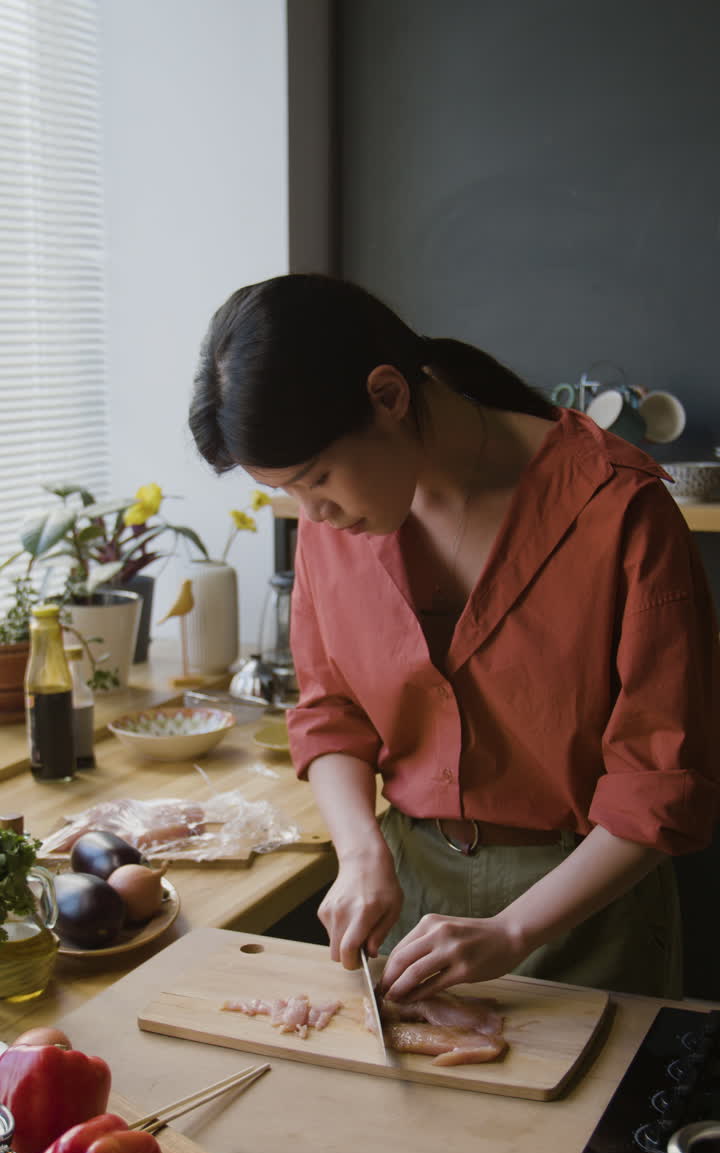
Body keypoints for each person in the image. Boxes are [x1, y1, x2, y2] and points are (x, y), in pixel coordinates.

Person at [189, 272, 720, 1001]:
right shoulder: (330, 524)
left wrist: (514, 930)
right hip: (407, 899)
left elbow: (660, 785)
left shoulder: (621, 511)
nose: (313, 513)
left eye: (317, 479)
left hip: (587, 917)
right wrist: (359, 854)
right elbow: (330, 713)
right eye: (289, 493)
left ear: (388, 396)